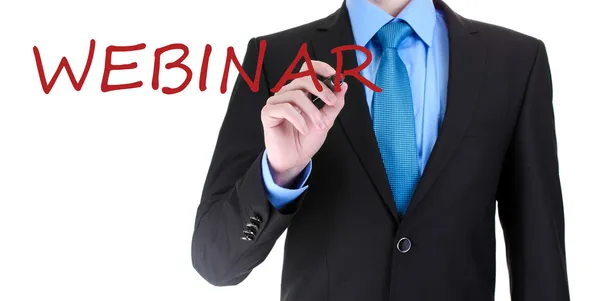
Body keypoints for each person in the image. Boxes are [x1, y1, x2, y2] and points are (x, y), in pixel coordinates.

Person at [191, 0, 571, 300]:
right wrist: (279, 173)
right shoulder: (275, 58)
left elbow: (540, 260)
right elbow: (215, 261)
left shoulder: (516, 62)